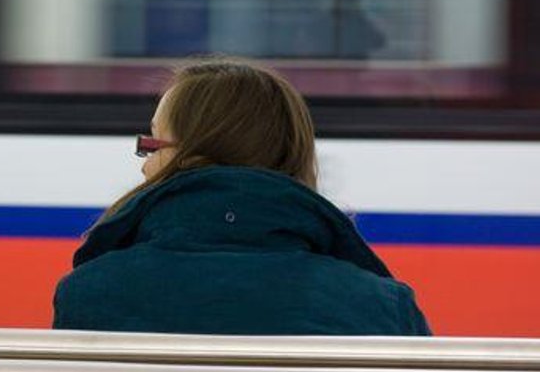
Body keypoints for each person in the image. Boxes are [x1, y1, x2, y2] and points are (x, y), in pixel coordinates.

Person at [52, 58, 431, 335]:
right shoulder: (384, 307)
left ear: (189, 155)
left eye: (152, 145)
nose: (144, 167)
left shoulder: (88, 294)